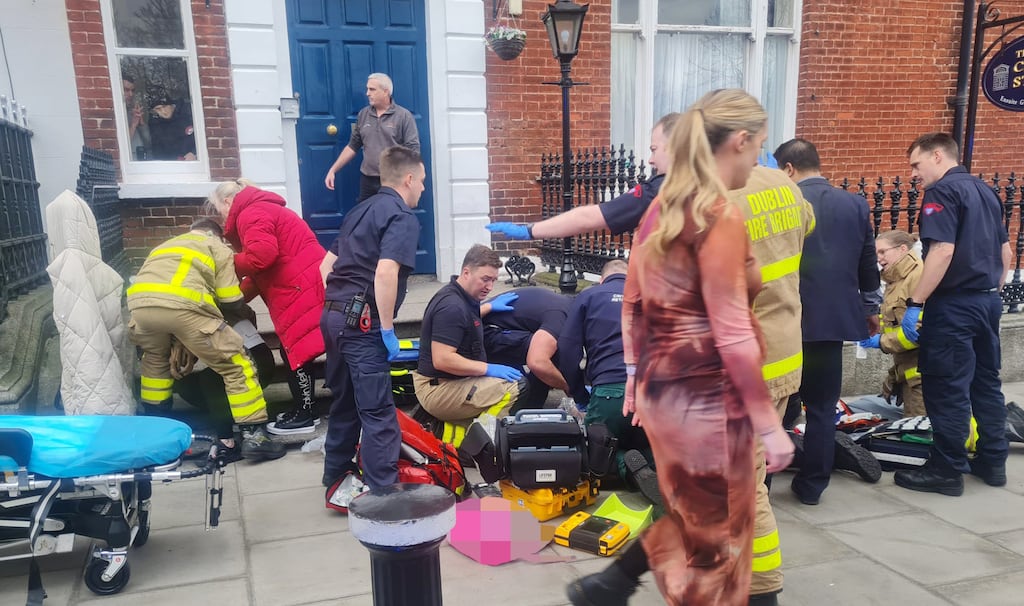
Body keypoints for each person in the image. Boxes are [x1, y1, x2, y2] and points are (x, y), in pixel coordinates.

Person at [491, 113, 800, 605]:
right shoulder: (767, 192)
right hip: (735, 375)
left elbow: (625, 286)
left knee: (715, 498)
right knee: (725, 498)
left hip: (687, 381)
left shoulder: (667, 204)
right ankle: (632, 580)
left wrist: (632, 374)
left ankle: (619, 579)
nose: (650, 157)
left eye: (655, 147)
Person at [893, 132, 1011, 496]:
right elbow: (1005, 253)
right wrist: (990, 292)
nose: (914, 174)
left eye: (916, 164)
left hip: (954, 306)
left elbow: (942, 251)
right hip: (986, 301)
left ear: (938, 156)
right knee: (985, 384)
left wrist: (916, 302)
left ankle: (946, 469)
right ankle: (993, 461)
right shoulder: (986, 191)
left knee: (947, 387)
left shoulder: (942, 192)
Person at [774, 137, 881, 506]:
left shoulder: (784, 203)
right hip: (830, 324)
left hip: (785, 321)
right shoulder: (854, 204)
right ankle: (812, 486)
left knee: (774, 406)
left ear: (789, 169)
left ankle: (763, 483)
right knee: (821, 408)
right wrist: (870, 308)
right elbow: (868, 261)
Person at [126, 218, 285, 461]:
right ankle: (255, 436)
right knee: (236, 365)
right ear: (216, 235)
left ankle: (156, 435)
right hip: (183, 307)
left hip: (140, 309)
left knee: (155, 364)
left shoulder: (164, 247)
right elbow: (231, 298)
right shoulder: (216, 246)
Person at [319, 146, 424, 495]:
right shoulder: (402, 217)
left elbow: (325, 266)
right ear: (408, 179)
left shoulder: (359, 210)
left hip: (333, 317)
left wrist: (340, 302)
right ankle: (384, 497)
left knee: (345, 403)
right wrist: (387, 328)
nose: (422, 188)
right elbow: (386, 271)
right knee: (378, 413)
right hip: (361, 325)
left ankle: (335, 480)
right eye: (421, 181)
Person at [208, 179, 327, 435]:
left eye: (219, 211)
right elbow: (260, 272)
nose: (222, 217)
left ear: (228, 202)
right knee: (295, 350)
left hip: (298, 286)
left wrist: (225, 263)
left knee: (295, 351)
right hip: (302, 282)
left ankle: (305, 415)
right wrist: (233, 299)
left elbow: (261, 257)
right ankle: (306, 410)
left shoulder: (251, 213)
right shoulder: (261, 208)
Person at [486, 113, 675, 241]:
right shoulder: (691, 189)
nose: (650, 160)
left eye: (654, 150)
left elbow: (587, 218)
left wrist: (529, 231)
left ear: (675, 147)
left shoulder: (658, 192)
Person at [413, 244, 527, 450]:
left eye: (493, 280)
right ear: (466, 272)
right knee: (515, 387)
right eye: (485, 279)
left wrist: (489, 307)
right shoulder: (452, 307)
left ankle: (454, 433)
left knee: (514, 375)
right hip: (439, 389)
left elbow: (464, 321)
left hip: (448, 382)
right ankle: (479, 446)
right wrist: (488, 368)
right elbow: (443, 359)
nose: (490, 287)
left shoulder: (461, 298)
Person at [557, 259, 654, 487]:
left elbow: (567, 351)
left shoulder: (589, 296)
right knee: (654, 444)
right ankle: (653, 468)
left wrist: (580, 395)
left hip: (609, 391)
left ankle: (625, 465)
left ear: (601, 280)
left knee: (594, 451)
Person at [858, 230, 925, 417]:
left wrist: (880, 341)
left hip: (923, 377)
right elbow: (895, 320)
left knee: (923, 430)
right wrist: (872, 326)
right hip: (909, 375)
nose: (878, 258)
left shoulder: (918, 276)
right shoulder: (896, 280)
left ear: (902, 249)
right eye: (876, 253)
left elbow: (918, 332)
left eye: (883, 252)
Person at [324, 73, 421, 202]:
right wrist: (333, 170)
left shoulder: (403, 116)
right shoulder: (363, 114)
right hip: (368, 180)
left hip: (393, 181)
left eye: (372, 89)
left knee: (391, 213)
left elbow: (413, 150)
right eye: (367, 89)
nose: (367, 93)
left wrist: (413, 177)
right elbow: (353, 145)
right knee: (365, 212)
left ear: (386, 92)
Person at [482, 286, 572, 408]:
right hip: (485, 333)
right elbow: (538, 362)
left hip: (501, 327)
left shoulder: (566, 304)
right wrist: (570, 388)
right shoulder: (562, 315)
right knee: (550, 352)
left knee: (548, 349)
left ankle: (527, 397)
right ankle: (530, 408)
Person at [148, 95, 196, 161]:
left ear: (172, 106)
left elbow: (203, 137)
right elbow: (157, 152)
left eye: (164, 106)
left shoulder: (189, 115)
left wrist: (194, 153)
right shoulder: (156, 125)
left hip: (196, 161)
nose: (163, 111)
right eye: (158, 109)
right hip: (172, 165)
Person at [123, 75, 149, 160]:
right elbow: (120, 145)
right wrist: (133, 125)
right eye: (126, 90)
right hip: (129, 162)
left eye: (132, 90)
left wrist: (141, 123)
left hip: (142, 158)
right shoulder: (116, 115)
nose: (131, 94)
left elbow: (148, 143)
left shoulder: (133, 112)